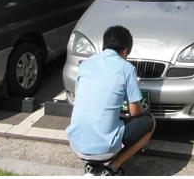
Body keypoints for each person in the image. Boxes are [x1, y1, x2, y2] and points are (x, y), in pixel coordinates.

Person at [66, 25, 155, 176]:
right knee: (150, 122)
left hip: (75, 143)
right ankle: (113, 168)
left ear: (104, 45)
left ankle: (92, 166)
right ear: (125, 50)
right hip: (105, 148)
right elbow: (135, 112)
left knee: (102, 120)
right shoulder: (126, 68)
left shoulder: (85, 65)